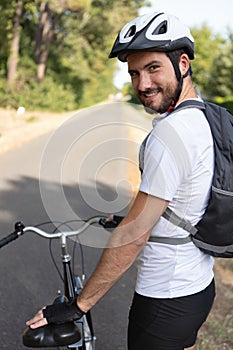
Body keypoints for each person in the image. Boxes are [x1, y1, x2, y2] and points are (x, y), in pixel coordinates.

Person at [26, 12, 216, 350]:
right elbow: (184, 194)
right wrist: (127, 217)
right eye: (134, 73)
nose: (142, 84)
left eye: (153, 68)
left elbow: (132, 239)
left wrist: (77, 306)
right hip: (198, 287)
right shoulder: (203, 118)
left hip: (164, 298)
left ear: (183, 63)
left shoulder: (170, 135)